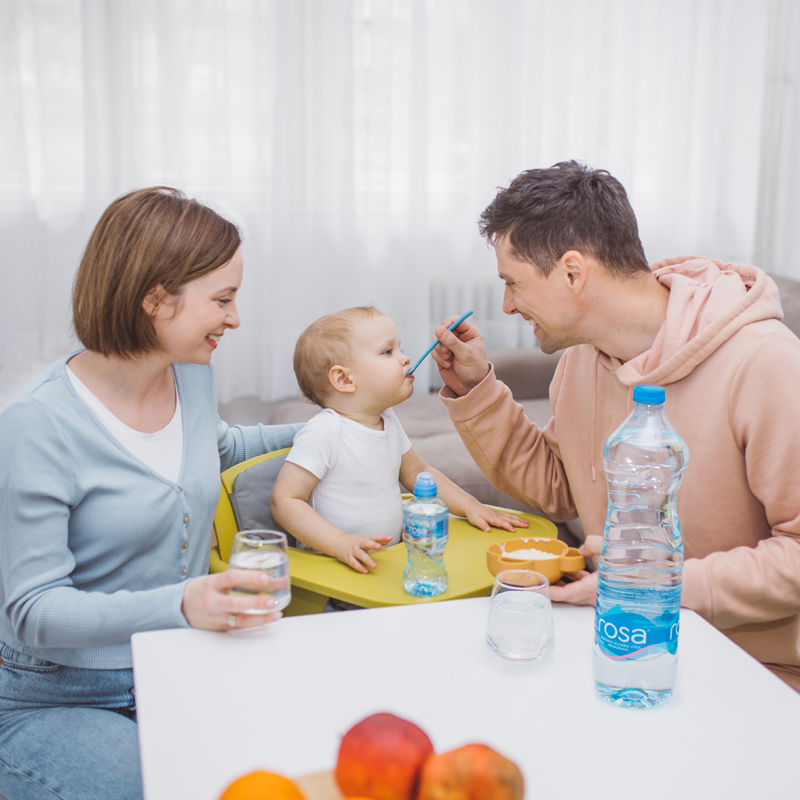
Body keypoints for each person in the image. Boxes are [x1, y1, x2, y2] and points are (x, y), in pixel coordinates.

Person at [432, 160, 800, 691]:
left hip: (750, 666)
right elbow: (562, 488)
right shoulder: (583, 360)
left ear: (573, 272)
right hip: (615, 640)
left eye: (513, 283)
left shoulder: (766, 364)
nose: (508, 305)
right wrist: (477, 392)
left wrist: (654, 586)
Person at [0, 187, 302, 800]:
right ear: (155, 299)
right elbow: (32, 610)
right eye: (222, 299)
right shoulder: (37, 425)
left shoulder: (189, 375)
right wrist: (184, 603)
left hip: (173, 667)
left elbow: (218, 447)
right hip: (55, 696)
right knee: (162, 786)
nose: (235, 318)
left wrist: (341, 424)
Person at [270, 306, 527, 575]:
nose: (405, 359)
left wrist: (472, 507)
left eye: (400, 349)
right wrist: (339, 543)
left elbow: (420, 473)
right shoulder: (325, 432)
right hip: (334, 571)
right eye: (388, 352)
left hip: (384, 565)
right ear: (344, 379)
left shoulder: (388, 420)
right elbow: (285, 500)